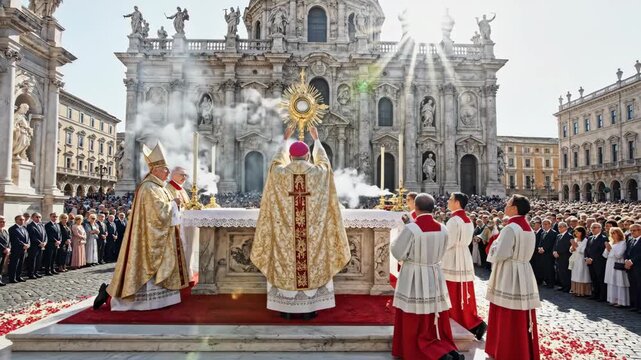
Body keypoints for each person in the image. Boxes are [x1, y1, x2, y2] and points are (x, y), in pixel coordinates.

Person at [251, 127, 351, 320]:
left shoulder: (279, 172)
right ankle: (310, 309)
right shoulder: (317, 173)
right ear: (307, 155)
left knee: (287, 262)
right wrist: (317, 140)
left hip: (286, 235)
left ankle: (286, 308)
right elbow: (325, 164)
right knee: (311, 262)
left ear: (290, 155)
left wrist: (284, 139)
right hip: (312, 234)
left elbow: (275, 162)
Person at [94, 142, 188, 311]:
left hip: (162, 236)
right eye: (165, 169)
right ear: (155, 170)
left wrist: (173, 204)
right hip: (149, 238)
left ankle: (159, 299)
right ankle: (116, 295)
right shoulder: (148, 187)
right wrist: (173, 204)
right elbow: (157, 213)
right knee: (146, 269)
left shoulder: (159, 187)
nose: (168, 172)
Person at [391, 193, 463, 360]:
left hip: (414, 275)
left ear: (415, 208)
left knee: (414, 313)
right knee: (432, 313)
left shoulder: (411, 228)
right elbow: (444, 250)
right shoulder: (443, 228)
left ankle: (421, 349)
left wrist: (408, 256)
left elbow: (397, 251)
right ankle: (441, 345)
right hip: (434, 273)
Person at [486, 194, 540, 360]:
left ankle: (507, 350)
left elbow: (501, 253)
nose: (505, 205)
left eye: (508, 203)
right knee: (521, 311)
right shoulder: (528, 228)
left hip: (509, 273)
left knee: (507, 312)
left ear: (515, 208)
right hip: (523, 270)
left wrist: (493, 245)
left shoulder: (510, 228)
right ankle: (523, 349)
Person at [443, 192, 487, 340]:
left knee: (453, 291)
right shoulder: (467, 219)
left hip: (453, 257)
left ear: (457, 203)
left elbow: (448, 243)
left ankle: (459, 321)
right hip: (463, 255)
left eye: (450, 199)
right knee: (463, 291)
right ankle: (471, 321)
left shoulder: (453, 220)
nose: (448, 201)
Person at [603, 227, 629, 307]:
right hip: (610, 263)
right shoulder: (611, 242)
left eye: (615, 233)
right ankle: (612, 299)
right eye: (612, 233)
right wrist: (607, 249)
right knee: (611, 281)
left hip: (618, 263)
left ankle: (621, 301)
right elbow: (604, 255)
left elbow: (619, 255)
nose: (613, 235)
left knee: (619, 281)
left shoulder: (623, 243)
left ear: (619, 234)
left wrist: (611, 249)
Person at [585, 222, 608, 302]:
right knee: (593, 279)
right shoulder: (590, 237)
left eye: (595, 227)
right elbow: (587, 249)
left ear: (600, 229)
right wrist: (586, 258)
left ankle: (602, 296)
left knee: (600, 279)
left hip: (599, 262)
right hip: (590, 262)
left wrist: (592, 259)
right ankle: (595, 294)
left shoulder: (604, 238)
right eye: (592, 227)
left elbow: (602, 251)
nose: (593, 229)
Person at [569, 226, 592, 297]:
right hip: (575, 259)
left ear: (582, 232)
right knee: (575, 274)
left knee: (581, 275)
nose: (576, 233)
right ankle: (575, 290)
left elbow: (583, 250)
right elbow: (571, 249)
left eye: (577, 232)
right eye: (575, 232)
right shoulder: (575, 239)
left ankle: (582, 291)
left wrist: (575, 246)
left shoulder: (585, 240)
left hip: (581, 259)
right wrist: (572, 249)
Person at [8, 215, 29, 283]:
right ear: (16, 220)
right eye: (20, 219)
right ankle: (12, 278)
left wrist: (28, 244)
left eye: (23, 220)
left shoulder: (24, 228)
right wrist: (23, 245)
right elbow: (15, 239)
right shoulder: (12, 228)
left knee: (21, 264)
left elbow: (28, 238)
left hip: (24, 250)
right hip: (16, 249)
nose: (22, 221)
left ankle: (18, 276)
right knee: (14, 264)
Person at [625, 224, 641, 313]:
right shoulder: (630, 240)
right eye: (630, 231)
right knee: (633, 286)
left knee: (639, 287)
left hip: (638, 267)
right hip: (630, 267)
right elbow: (626, 252)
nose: (632, 232)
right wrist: (626, 260)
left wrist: (632, 261)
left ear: (640, 230)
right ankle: (635, 305)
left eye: (634, 231)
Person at [538, 219, 558, 288]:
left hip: (549, 254)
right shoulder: (543, 233)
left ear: (550, 225)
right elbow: (540, 242)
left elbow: (553, 244)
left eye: (546, 224)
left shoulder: (554, 233)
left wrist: (544, 249)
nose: (544, 226)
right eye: (543, 224)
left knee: (550, 269)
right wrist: (539, 248)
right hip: (542, 254)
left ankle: (551, 283)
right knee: (544, 268)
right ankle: (546, 281)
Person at [26, 213, 46, 279]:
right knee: (32, 260)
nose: (38, 218)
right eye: (36, 217)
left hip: (41, 246)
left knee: (38, 260)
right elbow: (32, 236)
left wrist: (45, 242)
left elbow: (45, 235)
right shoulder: (30, 226)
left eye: (40, 217)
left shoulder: (41, 225)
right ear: (32, 217)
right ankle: (31, 273)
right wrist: (39, 242)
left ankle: (36, 272)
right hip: (34, 246)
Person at [553, 222, 572, 293]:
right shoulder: (558, 235)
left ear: (566, 227)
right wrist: (554, 251)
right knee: (560, 272)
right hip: (558, 257)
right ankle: (563, 285)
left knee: (565, 272)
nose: (559, 228)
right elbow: (555, 245)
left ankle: (567, 287)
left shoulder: (569, 236)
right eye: (558, 227)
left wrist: (559, 252)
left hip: (565, 257)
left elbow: (567, 247)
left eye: (561, 227)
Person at [0, 216, 9, 286]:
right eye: (1, 221)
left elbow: (8, 241)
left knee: (1, 266)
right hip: (1, 251)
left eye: (4, 222)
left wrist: (9, 248)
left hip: (4, 252)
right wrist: (4, 248)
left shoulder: (5, 231)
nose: (3, 223)